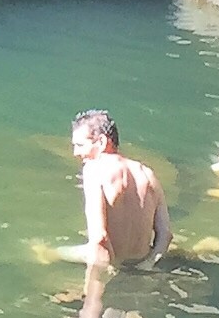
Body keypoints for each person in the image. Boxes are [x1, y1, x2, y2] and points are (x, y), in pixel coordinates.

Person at [69, 113, 171, 270]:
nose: (75, 152)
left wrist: (109, 269)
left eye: (80, 145)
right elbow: (165, 235)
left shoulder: (94, 169)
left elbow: (99, 237)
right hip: (141, 261)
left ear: (102, 142)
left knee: (49, 252)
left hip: (108, 261)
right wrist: (148, 264)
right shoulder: (148, 174)